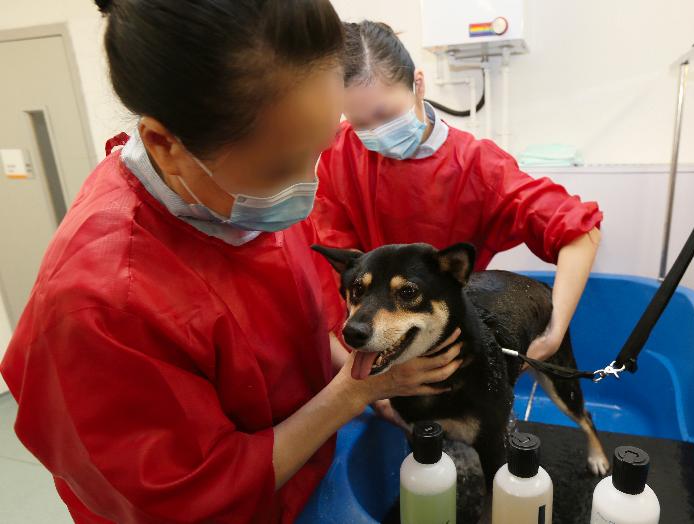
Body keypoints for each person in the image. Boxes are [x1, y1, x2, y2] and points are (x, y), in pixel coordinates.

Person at [0, 3, 462, 522]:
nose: (307, 184)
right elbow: (191, 497)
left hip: (307, 468)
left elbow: (304, 328)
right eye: (280, 166)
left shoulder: (246, 196)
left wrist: (367, 377)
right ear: (163, 144)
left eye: (318, 149)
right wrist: (353, 393)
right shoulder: (100, 304)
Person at [313, 21, 603, 376]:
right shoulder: (341, 153)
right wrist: (364, 380)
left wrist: (554, 331)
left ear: (418, 84)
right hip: (370, 335)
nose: (374, 134)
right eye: (359, 123)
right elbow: (333, 260)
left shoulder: (479, 167)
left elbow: (579, 231)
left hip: (448, 338)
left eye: (385, 115)